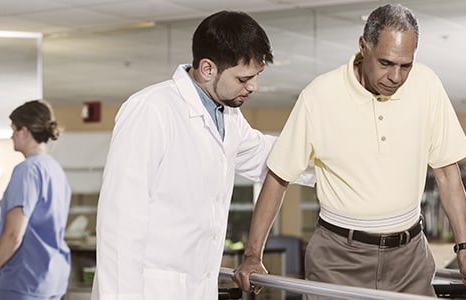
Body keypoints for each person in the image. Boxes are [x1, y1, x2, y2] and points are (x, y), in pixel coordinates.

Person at [234, 3, 466, 298]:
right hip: (338, 259)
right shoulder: (319, 96)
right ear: (363, 46)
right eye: (385, 63)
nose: (396, 76)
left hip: (409, 259)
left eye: (405, 65)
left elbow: (447, 173)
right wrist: (254, 254)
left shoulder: (427, 85)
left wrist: (464, 252)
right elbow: (278, 177)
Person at [92, 10, 316, 300]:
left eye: (257, 76)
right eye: (245, 78)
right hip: (149, 290)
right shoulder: (152, 110)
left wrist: (341, 167)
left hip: (197, 288)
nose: (254, 87)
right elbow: (119, 223)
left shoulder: (228, 118)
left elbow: (274, 156)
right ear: (208, 68)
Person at [0, 100, 72, 300]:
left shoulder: (27, 170)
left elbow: (14, 234)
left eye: (14, 130)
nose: (11, 136)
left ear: (25, 131)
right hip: (52, 278)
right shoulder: (55, 170)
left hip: (23, 279)